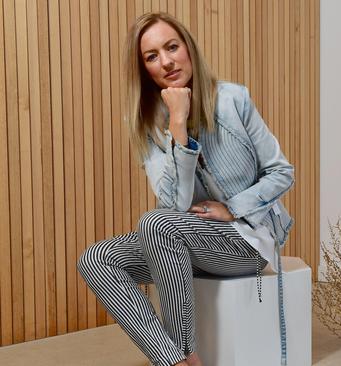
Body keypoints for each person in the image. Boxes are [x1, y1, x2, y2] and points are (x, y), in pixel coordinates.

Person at [77, 12, 294, 366]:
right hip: (186, 242)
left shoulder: (232, 99)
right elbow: (172, 206)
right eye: (151, 56)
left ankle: (184, 349)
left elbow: (281, 172)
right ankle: (175, 360)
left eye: (171, 47)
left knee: (154, 223)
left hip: (245, 243)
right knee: (97, 259)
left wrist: (233, 207)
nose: (166, 61)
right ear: (144, 68)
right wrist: (177, 126)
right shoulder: (146, 123)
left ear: (188, 48)